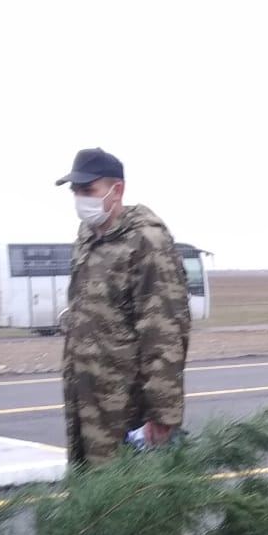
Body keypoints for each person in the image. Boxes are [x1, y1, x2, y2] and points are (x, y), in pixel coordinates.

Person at [54, 148, 190, 467]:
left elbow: (165, 331)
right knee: (90, 498)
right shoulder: (87, 237)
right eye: (76, 191)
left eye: (89, 190)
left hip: (125, 407)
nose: (80, 199)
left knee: (128, 504)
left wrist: (163, 412)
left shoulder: (147, 241)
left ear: (118, 190)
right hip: (85, 400)